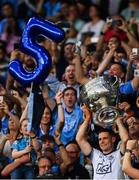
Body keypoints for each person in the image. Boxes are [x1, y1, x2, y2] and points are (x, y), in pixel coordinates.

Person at [76, 104, 129, 179]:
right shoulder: (95, 155)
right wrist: (87, 119)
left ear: (113, 139)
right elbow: (79, 138)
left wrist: (119, 122)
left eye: (105, 138)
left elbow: (125, 139)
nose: (101, 141)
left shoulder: (119, 154)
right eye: (100, 139)